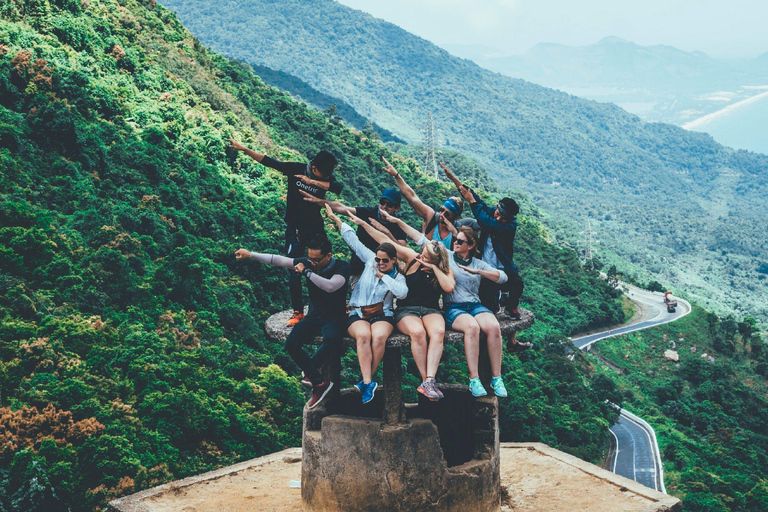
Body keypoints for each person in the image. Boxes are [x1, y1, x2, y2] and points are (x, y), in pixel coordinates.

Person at [345, 206, 456, 401]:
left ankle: (429, 380)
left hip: (431, 309)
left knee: (438, 332)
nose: (422, 259)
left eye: (427, 259)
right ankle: (427, 381)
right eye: (423, 255)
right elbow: (385, 241)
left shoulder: (444, 270)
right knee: (418, 333)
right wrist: (362, 224)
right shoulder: (413, 258)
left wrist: (432, 267)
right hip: (408, 310)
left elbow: (448, 287)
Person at [227, 139, 342, 326]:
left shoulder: (324, 177)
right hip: (295, 229)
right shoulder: (296, 168)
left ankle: (330, 306)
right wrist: (245, 149)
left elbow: (337, 188)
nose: (328, 176)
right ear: (314, 167)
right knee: (294, 269)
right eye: (325, 173)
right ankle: (298, 312)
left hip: (315, 228)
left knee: (326, 265)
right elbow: (269, 161)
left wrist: (311, 182)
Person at [235, 235, 350, 409]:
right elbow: (279, 260)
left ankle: (311, 373)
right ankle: (319, 383)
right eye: (310, 258)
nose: (312, 262)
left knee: (332, 340)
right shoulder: (308, 262)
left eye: (317, 260)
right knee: (292, 344)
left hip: (335, 316)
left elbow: (331, 286)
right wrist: (251, 254)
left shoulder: (342, 267)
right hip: (314, 315)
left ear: (328, 256)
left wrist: (306, 271)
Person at [325, 205, 408, 404]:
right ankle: (369, 381)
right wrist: (335, 219)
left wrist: (384, 277)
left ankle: (364, 381)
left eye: (385, 261)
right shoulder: (370, 259)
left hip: (383, 314)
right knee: (363, 335)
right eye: (378, 259)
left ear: (394, 260)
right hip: (358, 311)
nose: (379, 263)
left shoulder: (397, 276)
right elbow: (352, 239)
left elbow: (402, 293)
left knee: (378, 336)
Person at [441, 163, 526, 326]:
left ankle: (511, 307)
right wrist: (453, 178)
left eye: (503, 218)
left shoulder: (509, 227)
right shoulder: (492, 213)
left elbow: (486, 222)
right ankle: (496, 302)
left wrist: (472, 202)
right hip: (485, 268)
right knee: (489, 306)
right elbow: (471, 195)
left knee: (517, 283)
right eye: (498, 214)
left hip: (502, 268)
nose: (498, 218)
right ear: (496, 208)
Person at [442, 226, 509, 398]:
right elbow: (423, 241)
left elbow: (503, 277)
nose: (455, 243)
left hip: (474, 305)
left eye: (460, 241)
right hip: (454, 306)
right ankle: (474, 379)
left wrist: (479, 272)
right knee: (472, 328)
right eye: (456, 239)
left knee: (494, 327)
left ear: (470, 245)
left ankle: (497, 377)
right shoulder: (447, 256)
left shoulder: (478, 263)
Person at [299, 188, 407, 290]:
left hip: (384, 267)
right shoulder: (368, 212)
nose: (384, 207)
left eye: (389, 205)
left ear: (396, 208)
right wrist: (318, 201)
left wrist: (386, 232)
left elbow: (403, 250)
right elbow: (342, 208)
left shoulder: (398, 225)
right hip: (359, 264)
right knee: (359, 295)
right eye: (382, 202)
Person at [380, 156, 471, 249]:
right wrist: (396, 175)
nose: (442, 214)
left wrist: (455, 234)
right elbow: (411, 197)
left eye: (447, 214)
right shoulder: (431, 218)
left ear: (456, 217)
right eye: (441, 210)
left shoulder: (458, 234)